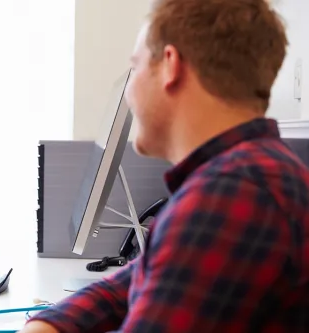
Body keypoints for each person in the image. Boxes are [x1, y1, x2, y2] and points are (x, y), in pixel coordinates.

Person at [21, 0, 309, 332]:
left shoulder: (229, 196)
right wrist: (49, 324)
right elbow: (135, 282)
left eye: (135, 67)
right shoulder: (256, 172)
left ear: (170, 66)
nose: (129, 93)